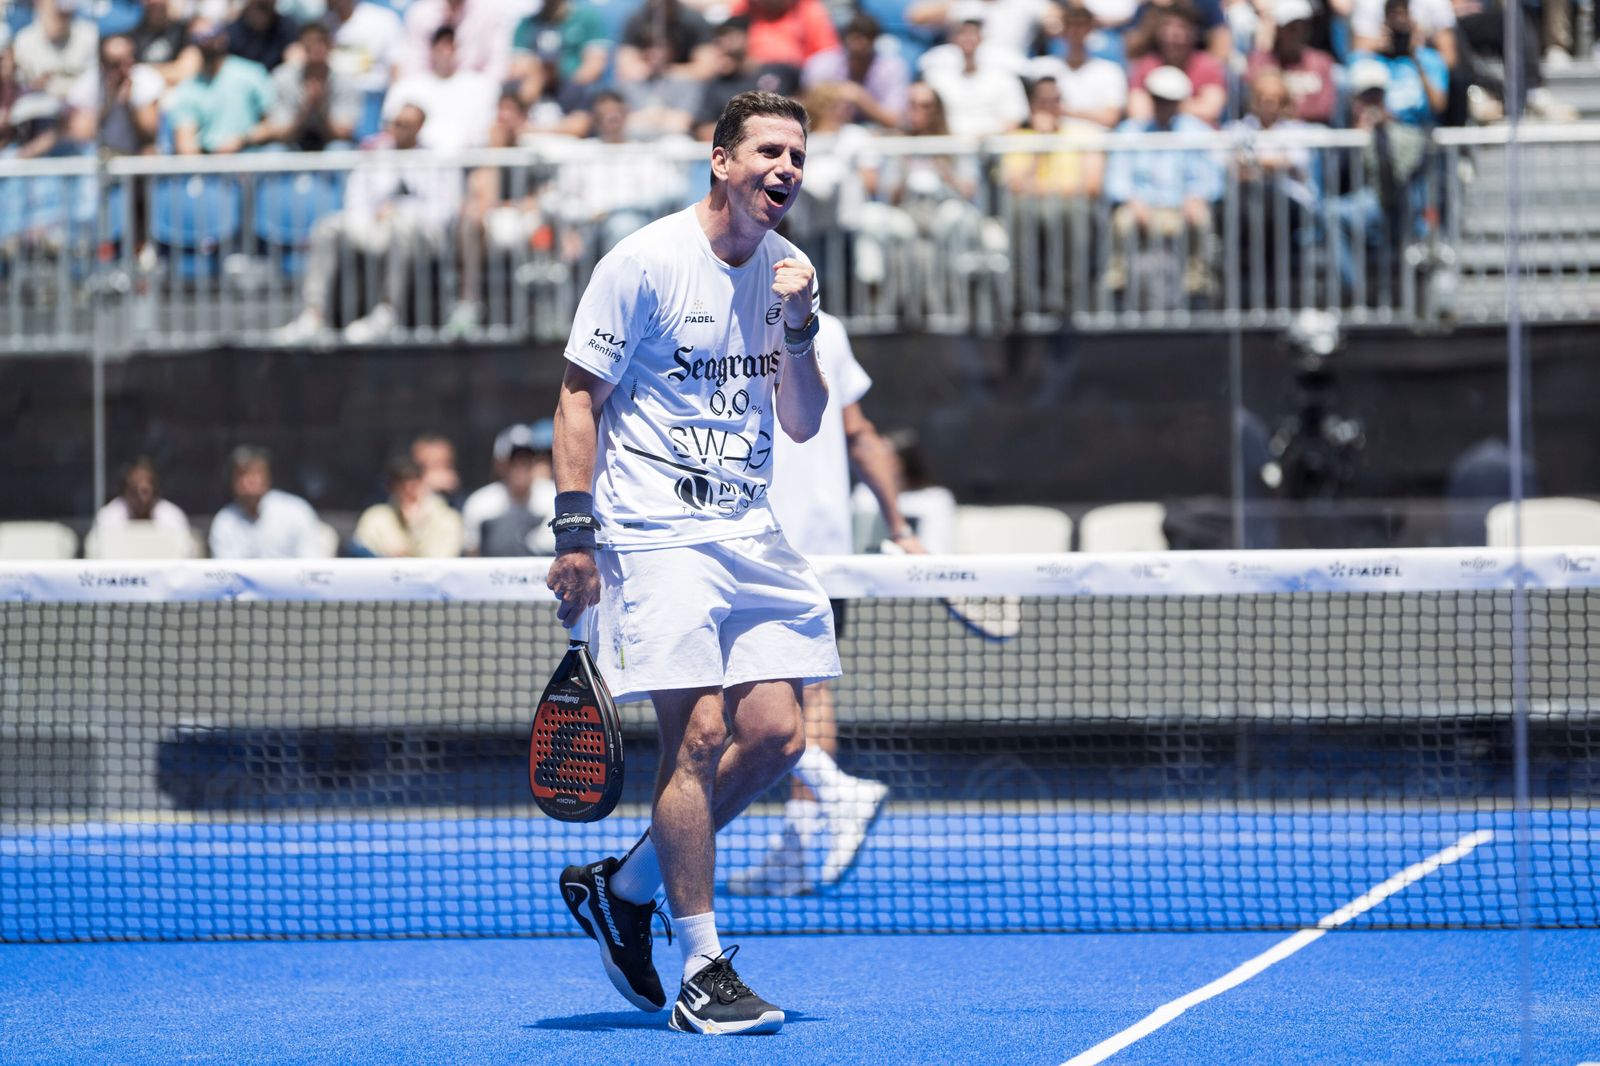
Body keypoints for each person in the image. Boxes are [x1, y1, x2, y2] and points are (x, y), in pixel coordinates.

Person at [547, 90, 834, 1036]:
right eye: (768, 151)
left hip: (749, 531)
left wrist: (801, 328)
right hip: (655, 530)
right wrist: (575, 533)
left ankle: (623, 887)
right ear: (722, 161)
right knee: (698, 737)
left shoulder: (790, 274)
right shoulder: (643, 262)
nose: (785, 168)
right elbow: (578, 400)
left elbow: (799, 420)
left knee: (781, 735)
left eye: (797, 154)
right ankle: (703, 969)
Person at [729, 310, 919, 896]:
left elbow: (856, 432)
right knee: (807, 691)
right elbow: (859, 432)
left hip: (758, 535)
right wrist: (898, 523)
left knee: (729, 688)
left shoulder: (718, 324)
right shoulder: (828, 328)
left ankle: (827, 806)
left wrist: (898, 524)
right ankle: (802, 837)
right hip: (815, 545)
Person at [275, 103, 462, 343]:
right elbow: (354, 200)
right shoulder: (375, 154)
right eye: (395, 123)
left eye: (406, 124)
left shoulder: (436, 159)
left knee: (401, 225)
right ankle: (314, 314)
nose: (398, 129)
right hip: (374, 226)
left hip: (422, 234)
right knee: (328, 227)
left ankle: (387, 312)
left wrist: (400, 210)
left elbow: (444, 211)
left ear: (420, 127)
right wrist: (375, 216)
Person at [1103, 65, 1225, 299]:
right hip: (1142, 206)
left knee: (1202, 219)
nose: (1164, 106)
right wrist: (1133, 201)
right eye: (1159, 99)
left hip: (1180, 207)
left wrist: (1196, 196)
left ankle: (1197, 287)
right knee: (1122, 221)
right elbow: (1116, 179)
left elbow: (1210, 177)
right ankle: (1118, 285)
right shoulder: (1129, 132)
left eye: (1170, 100)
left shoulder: (1197, 132)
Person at [167, 21, 277, 155]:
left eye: (211, 34)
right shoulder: (188, 88)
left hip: (251, 158)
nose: (205, 41)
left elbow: (272, 124)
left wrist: (243, 139)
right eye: (198, 37)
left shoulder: (251, 73)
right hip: (210, 164)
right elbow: (186, 141)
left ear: (223, 37)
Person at [208, 445, 325, 558]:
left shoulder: (296, 511)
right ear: (232, 481)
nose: (249, 481)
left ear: (268, 477)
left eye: (256, 473)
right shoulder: (225, 521)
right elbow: (225, 573)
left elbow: (310, 566)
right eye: (242, 474)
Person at [461, 421, 557, 556]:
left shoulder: (554, 498)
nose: (521, 465)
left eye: (528, 457)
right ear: (499, 464)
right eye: (514, 459)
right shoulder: (479, 504)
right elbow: (472, 555)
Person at [352, 455, 465, 557]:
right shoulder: (375, 518)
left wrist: (415, 526)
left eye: (415, 486)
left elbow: (440, 566)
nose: (410, 494)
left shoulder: (448, 519)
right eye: (402, 488)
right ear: (391, 488)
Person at [90, 457, 195, 551]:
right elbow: (95, 554)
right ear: (125, 491)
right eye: (134, 491)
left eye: (145, 491)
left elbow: (186, 556)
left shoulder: (172, 517)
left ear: (155, 491)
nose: (141, 499)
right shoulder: (108, 517)